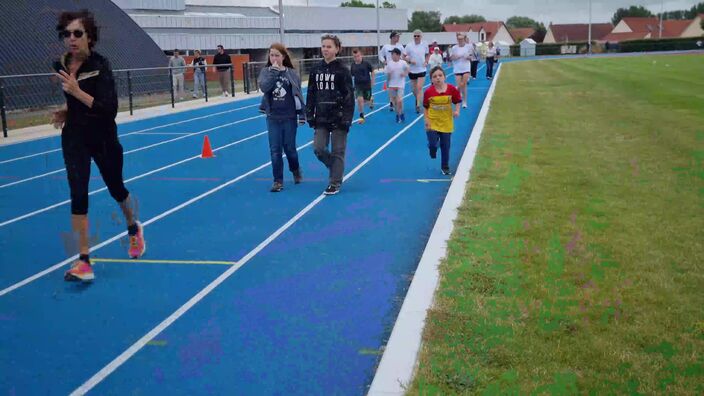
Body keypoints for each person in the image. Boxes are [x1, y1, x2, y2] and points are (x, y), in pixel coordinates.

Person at [52, 10, 145, 282]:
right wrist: (66, 111)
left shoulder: (100, 65)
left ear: (89, 37)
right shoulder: (60, 64)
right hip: (74, 138)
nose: (71, 38)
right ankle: (83, 261)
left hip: (103, 137)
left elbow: (109, 109)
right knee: (78, 193)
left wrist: (76, 92)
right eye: (67, 33)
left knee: (116, 188)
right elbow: (76, 103)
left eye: (77, 33)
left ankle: (133, 227)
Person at [305, 34, 355, 196]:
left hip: (339, 116)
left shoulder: (343, 70)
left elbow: (349, 96)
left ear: (337, 49)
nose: (325, 49)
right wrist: (309, 113)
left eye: (329, 46)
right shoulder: (315, 70)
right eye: (323, 46)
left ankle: (335, 182)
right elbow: (311, 93)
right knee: (318, 148)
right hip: (321, 116)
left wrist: (347, 118)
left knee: (338, 150)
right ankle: (334, 167)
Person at [258, 43, 305, 193]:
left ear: (283, 57)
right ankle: (278, 180)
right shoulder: (266, 72)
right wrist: (274, 72)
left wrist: (302, 114)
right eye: (271, 55)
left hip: (289, 117)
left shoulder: (292, 73)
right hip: (273, 117)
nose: (274, 58)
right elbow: (264, 87)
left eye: (277, 55)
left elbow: (298, 94)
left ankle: (295, 169)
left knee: (290, 149)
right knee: (275, 150)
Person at [423, 66, 461, 176]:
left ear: (444, 77)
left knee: (446, 146)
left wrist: (457, 111)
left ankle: (445, 167)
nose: (438, 78)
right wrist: (426, 119)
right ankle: (432, 148)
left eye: (440, 75)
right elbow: (425, 107)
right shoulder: (428, 92)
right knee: (433, 144)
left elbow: (458, 100)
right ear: (431, 80)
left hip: (446, 122)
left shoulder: (451, 89)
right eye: (434, 77)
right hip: (432, 122)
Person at [403, 29, 429, 114]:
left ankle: (418, 105)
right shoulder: (409, 45)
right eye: (415, 36)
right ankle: (419, 99)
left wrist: (426, 61)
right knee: (414, 90)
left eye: (418, 36)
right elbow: (404, 56)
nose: (416, 37)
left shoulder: (424, 44)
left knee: (419, 87)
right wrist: (409, 60)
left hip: (421, 69)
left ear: (421, 36)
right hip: (412, 70)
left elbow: (427, 54)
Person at [378, 31, 404, 112]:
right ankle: (391, 102)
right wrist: (384, 61)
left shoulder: (400, 46)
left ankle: (397, 100)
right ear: (392, 37)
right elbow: (380, 54)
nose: (398, 38)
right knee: (390, 87)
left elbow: (404, 55)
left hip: (399, 70)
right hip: (389, 70)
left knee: (398, 86)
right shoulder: (386, 46)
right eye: (397, 36)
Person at [350, 48, 375, 124]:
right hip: (358, 86)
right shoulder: (353, 65)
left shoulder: (366, 63)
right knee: (359, 100)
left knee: (366, 101)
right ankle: (361, 116)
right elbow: (351, 75)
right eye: (354, 57)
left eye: (358, 56)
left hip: (367, 85)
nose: (356, 58)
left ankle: (370, 100)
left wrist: (373, 81)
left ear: (361, 55)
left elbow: (373, 71)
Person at [384, 48, 409, 123]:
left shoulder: (403, 63)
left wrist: (405, 74)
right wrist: (388, 78)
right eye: (391, 54)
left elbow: (408, 69)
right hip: (392, 85)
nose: (392, 55)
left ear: (398, 55)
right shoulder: (389, 63)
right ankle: (398, 114)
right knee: (394, 102)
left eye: (393, 54)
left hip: (400, 85)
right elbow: (387, 74)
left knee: (399, 101)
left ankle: (401, 113)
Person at [450, 32, 471, 109]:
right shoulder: (454, 48)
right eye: (458, 39)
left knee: (464, 84)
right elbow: (451, 58)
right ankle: (457, 98)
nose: (460, 40)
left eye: (461, 39)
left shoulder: (468, 47)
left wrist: (468, 57)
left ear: (464, 39)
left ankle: (464, 102)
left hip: (466, 68)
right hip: (457, 68)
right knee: (459, 85)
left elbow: (472, 57)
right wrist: (455, 57)